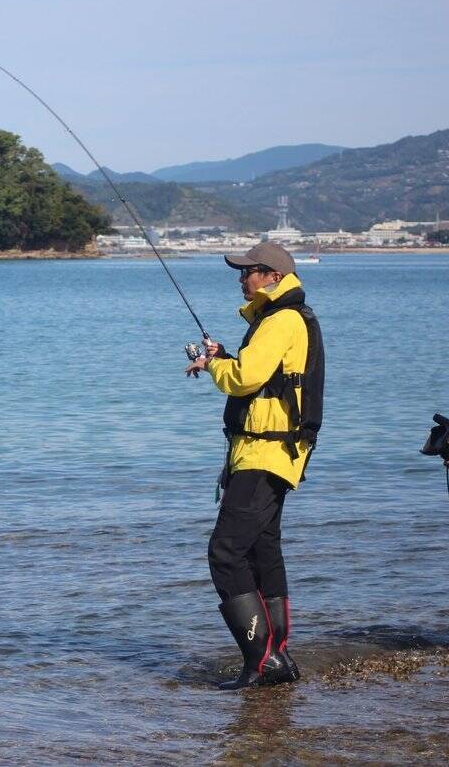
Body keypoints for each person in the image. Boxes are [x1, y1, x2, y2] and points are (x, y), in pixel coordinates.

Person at [184, 241, 324, 690]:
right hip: (273, 453)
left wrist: (213, 366)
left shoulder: (281, 320)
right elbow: (259, 373)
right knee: (263, 552)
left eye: (248, 271)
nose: (241, 278)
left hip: (265, 453)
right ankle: (276, 656)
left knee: (225, 553)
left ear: (274, 277)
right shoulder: (284, 319)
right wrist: (223, 355)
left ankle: (261, 660)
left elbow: (245, 379)